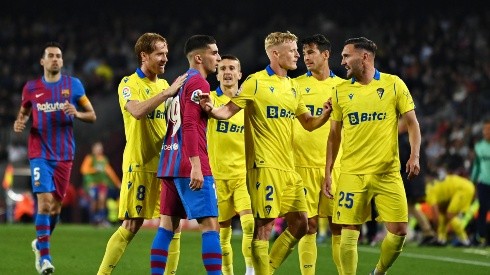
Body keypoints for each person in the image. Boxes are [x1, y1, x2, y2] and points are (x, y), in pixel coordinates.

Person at [201, 31, 332, 275]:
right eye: (292, 50)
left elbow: (308, 123)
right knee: (263, 227)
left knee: (301, 223)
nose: (297, 55)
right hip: (264, 166)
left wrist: (324, 114)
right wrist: (211, 109)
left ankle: (266, 269)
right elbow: (227, 111)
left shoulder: (292, 86)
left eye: (297, 50)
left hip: (289, 168)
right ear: (275, 53)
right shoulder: (255, 82)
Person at [323, 37, 421, 275]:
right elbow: (334, 136)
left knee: (399, 232)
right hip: (351, 173)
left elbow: (412, 123)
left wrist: (414, 155)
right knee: (349, 230)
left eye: (347, 56)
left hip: (387, 172)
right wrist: (328, 171)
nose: (342, 61)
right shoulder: (341, 92)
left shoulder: (393, 84)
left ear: (364, 57)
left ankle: (378, 272)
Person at [97, 33, 187, 275]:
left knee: (174, 223)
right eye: (159, 54)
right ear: (144, 56)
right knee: (132, 224)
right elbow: (136, 111)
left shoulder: (165, 84)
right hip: (140, 165)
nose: (165, 58)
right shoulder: (129, 84)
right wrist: (166, 95)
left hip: (166, 166)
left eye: (166, 54)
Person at [13, 41, 97, 274]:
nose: (55, 59)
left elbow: (92, 115)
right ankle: (45, 259)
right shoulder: (31, 88)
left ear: (62, 60)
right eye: (50, 56)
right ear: (42, 61)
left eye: (58, 56)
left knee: (57, 207)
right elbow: (24, 111)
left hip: (65, 155)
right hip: (39, 152)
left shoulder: (74, 85)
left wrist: (77, 113)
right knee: (45, 202)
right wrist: (21, 121)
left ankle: (40, 241)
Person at [150, 34, 222, 275]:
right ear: (199, 57)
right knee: (211, 225)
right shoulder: (199, 83)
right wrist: (196, 165)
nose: (218, 58)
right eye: (214, 53)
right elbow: (190, 125)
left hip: (169, 163)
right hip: (189, 163)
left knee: (166, 227)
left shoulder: (180, 82)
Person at [292, 34, 344, 275]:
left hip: (336, 167)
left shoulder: (342, 88)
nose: (306, 57)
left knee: (339, 225)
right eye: (304, 53)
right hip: (301, 165)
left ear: (326, 54)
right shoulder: (295, 86)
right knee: (308, 225)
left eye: (311, 52)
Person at [206, 55, 255, 275]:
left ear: (239, 74)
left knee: (249, 225)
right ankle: (227, 273)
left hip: (242, 176)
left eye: (232, 68)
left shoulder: (247, 104)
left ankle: (250, 270)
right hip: (217, 178)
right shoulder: (208, 100)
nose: (227, 72)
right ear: (217, 74)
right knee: (222, 233)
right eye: (223, 68)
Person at [398, 120, 436, 245]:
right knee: (409, 207)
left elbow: (403, 161)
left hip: (410, 179)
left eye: (398, 123)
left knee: (408, 207)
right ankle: (411, 233)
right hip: (416, 178)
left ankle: (427, 232)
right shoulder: (414, 138)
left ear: (403, 126)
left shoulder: (404, 140)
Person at [426, 171, 475, 246]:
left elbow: (435, 216)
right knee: (443, 213)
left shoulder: (428, 192)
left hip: (463, 189)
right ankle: (441, 239)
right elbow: (440, 211)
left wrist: (434, 229)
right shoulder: (432, 186)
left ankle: (465, 240)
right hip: (463, 186)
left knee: (450, 215)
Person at [80, 141, 121, 226]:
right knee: (94, 201)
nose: (99, 150)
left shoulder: (104, 159)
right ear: (93, 150)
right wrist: (94, 170)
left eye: (100, 148)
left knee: (102, 199)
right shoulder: (90, 158)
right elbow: (83, 170)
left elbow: (110, 172)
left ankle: (101, 219)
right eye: (97, 148)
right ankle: (93, 220)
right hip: (92, 184)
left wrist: (117, 183)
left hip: (102, 183)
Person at [471, 117, 490, 247]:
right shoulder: (479, 147)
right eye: (485, 129)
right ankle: (480, 236)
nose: (487, 132)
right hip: (483, 182)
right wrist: (472, 181)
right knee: (483, 209)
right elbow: (476, 166)